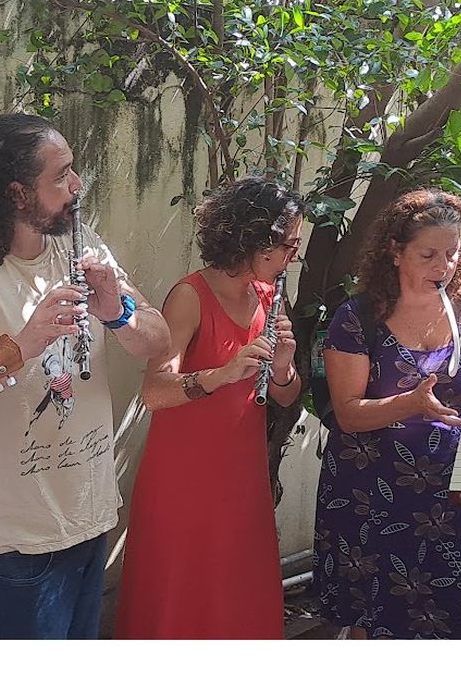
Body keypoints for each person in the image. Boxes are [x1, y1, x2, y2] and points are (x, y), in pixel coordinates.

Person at [0, 113, 170, 639]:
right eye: (61, 175)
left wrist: (116, 312)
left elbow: (159, 340)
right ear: (17, 193)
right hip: (11, 540)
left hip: (89, 514)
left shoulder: (81, 242)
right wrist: (25, 344)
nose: (78, 186)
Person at [114, 177, 304, 639]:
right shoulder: (189, 297)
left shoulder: (265, 295)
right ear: (254, 238)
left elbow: (286, 395)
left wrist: (282, 367)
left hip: (240, 476)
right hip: (184, 481)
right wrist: (220, 375)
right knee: (182, 599)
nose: (292, 257)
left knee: (234, 596)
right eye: (287, 245)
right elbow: (154, 392)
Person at [313, 188, 461, 640]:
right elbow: (348, 414)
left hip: (445, 491)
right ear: (395, 253)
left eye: (453, 253)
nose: (443, 266)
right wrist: (411, 404)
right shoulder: (357, 318)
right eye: (428, 254)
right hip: (369, 491)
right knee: (373, 616)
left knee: (454, 615)